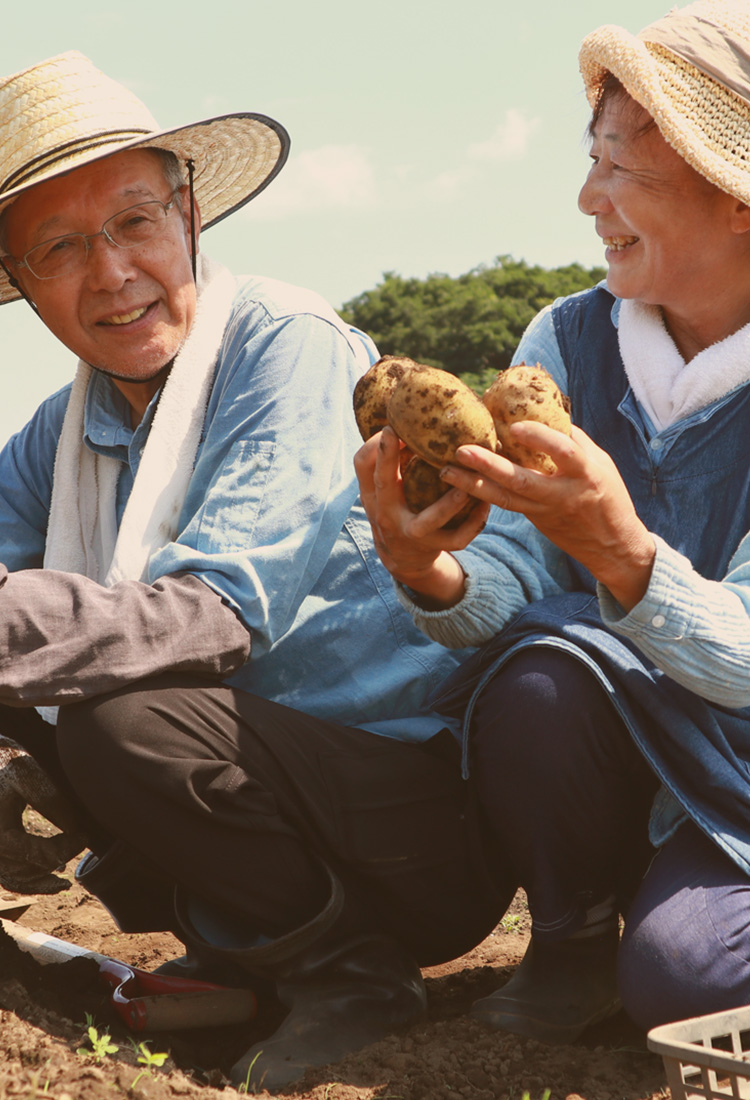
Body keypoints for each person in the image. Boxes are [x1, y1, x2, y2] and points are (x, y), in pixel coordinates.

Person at [0, 51, 513, 1092]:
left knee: (112, 711)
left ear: (188, 213)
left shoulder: (286, 345)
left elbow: (215, 613)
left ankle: (348, 971)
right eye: (59, 245)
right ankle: (246, 943)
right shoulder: (57, 439)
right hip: (254, 803)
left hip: (411, 822)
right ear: (20, 279)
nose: (111, 272)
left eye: (134, 222)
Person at [355, 0, 750, 1043]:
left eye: (622, 170)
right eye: (593, 159)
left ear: (737, 198)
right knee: (538, 670)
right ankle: (573, 941)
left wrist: (624, 553)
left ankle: (658, 943)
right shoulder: (572, 337)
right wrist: (431, 569)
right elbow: (519, 582)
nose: (587, 198)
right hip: (626, 748)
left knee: (690, 976)